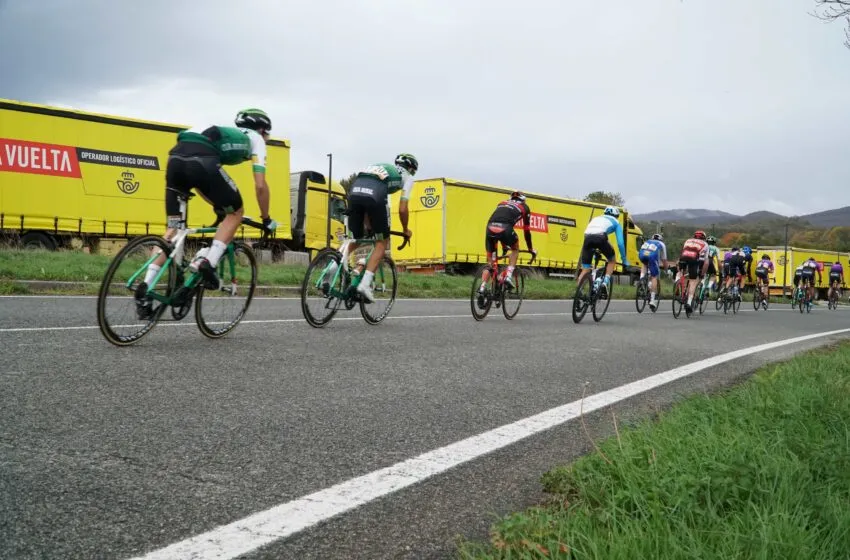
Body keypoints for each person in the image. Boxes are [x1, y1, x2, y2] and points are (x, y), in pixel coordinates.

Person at [135, 108, 278, 319]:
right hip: (202, 159)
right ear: (262, 129)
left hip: (175, 158)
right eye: (268, 134)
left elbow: (200, 182)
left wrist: (218, 205)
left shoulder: (225, 131)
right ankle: (207, 263)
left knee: (173, 230)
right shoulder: (256, 139)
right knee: (237, 212)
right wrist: (266, 218)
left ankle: (145, 286)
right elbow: (260, 186)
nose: (266, 138)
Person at [343, 153, 418, 303]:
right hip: (374, 195)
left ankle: (332, 268)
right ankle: (364, 285)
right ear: (410, 168)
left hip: (355, 190)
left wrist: (369, 225)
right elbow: (402, 209)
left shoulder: (381, 166)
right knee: (382, 242)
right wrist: (405, 229)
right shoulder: (408, 178)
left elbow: (366, 204)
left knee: (355, 238)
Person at [479, 191, 537, 294]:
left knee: (490, 264)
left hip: (490, 227)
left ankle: (482, 287)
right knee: (515, 249)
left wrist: (504, 246)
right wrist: (530, 248)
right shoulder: (524, 207)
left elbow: (499, 222)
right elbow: (526, 231)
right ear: (523, 200)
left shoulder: (502, 203)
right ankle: (509, 276)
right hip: (505, 228)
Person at [576, 206, 630, 296]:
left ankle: (578, 293)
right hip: (601, 238)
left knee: (585, 269)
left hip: (587, 238)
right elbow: (620, 243)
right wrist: (624, 259)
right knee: (612, 260)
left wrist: (593, 250)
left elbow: (592, 234)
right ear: (616, 216)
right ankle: (605, 283)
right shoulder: (616, 222)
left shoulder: (596, 218)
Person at [677, 230, 710, 313]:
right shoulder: (705, 244)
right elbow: (706, 262)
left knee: (682, 273)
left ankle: (680, 290)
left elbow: (683, 251)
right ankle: (688, 302)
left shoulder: (688, 240)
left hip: (683, 258)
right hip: (694, 260)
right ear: (704, 238)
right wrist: (702, 274)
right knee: (693, 281)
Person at [638, 233, 668, 311]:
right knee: (654, 276)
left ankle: (641, 279)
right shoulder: (662, 244)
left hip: (641, 255)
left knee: (644, 264)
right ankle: (652, 299)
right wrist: (666, 269)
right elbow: (664, 260)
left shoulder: (647, 241)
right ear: (661, 239)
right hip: (652, 256)